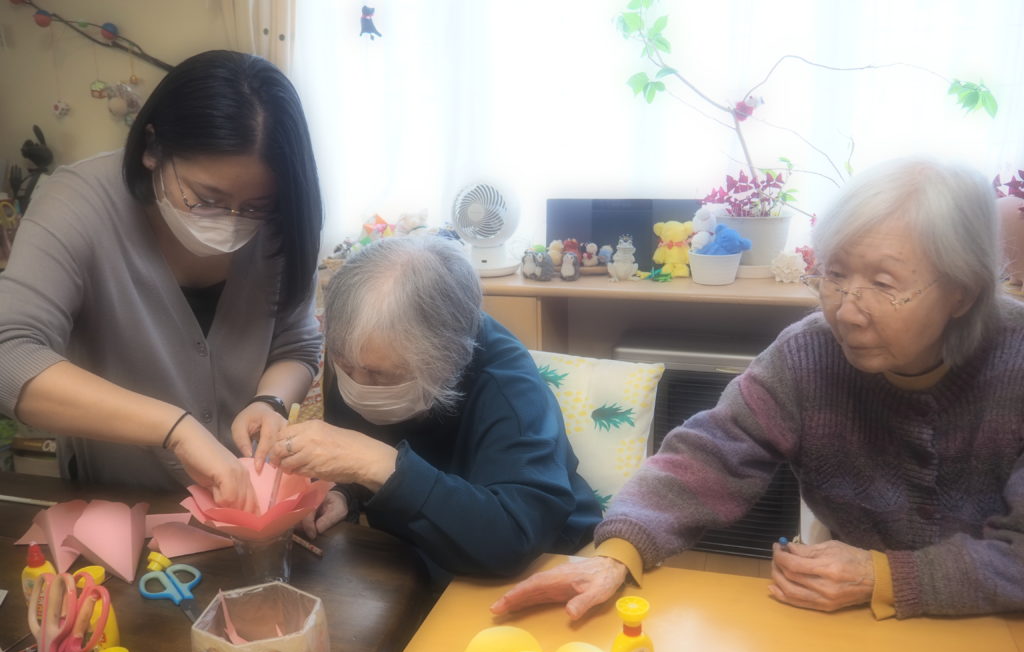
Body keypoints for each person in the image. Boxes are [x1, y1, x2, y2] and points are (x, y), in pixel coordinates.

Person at [492, 156, 1024, 621]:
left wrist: (884, 577)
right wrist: (616, 555)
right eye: (835, 275)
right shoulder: (809, 354)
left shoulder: (1015, 362)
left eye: (883, 284)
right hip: (860, 626)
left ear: (962, 291)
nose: (846, 310)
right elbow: (709, 455)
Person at [0, 51, 323, 511]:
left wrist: (269, 401)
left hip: (240, 507)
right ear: (153, 148)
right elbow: (10, 352)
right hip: (119, 503)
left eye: (255, 207)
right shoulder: (78, 203)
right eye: (206, 198)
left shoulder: (284, 218)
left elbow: (296, 345)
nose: (232, 222)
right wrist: (175, 429)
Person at [268, 236, 601, 578]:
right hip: (420, 552)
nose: (356, 384)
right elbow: (362, 451)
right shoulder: (358, 351)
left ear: (446, 361)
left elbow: (513, 538)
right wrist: (344, 492)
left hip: (545, 563)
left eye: (379, 376)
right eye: (344, 364)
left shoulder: (509, 389)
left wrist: (379, 465)